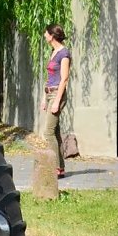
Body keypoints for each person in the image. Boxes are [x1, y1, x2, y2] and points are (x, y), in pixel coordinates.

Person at [40, 24, 71, 178]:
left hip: (57, 95)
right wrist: (44, 98)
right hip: (49, 94)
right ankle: (60, 167)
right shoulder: (54, 52)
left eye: (46, 33)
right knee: (56, 133)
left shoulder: (64, 54)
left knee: (48, 132)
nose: (44, 35)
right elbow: (49, 77)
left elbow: (64, 79)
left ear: (52, 35)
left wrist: (56, 102)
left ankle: (55, 167)